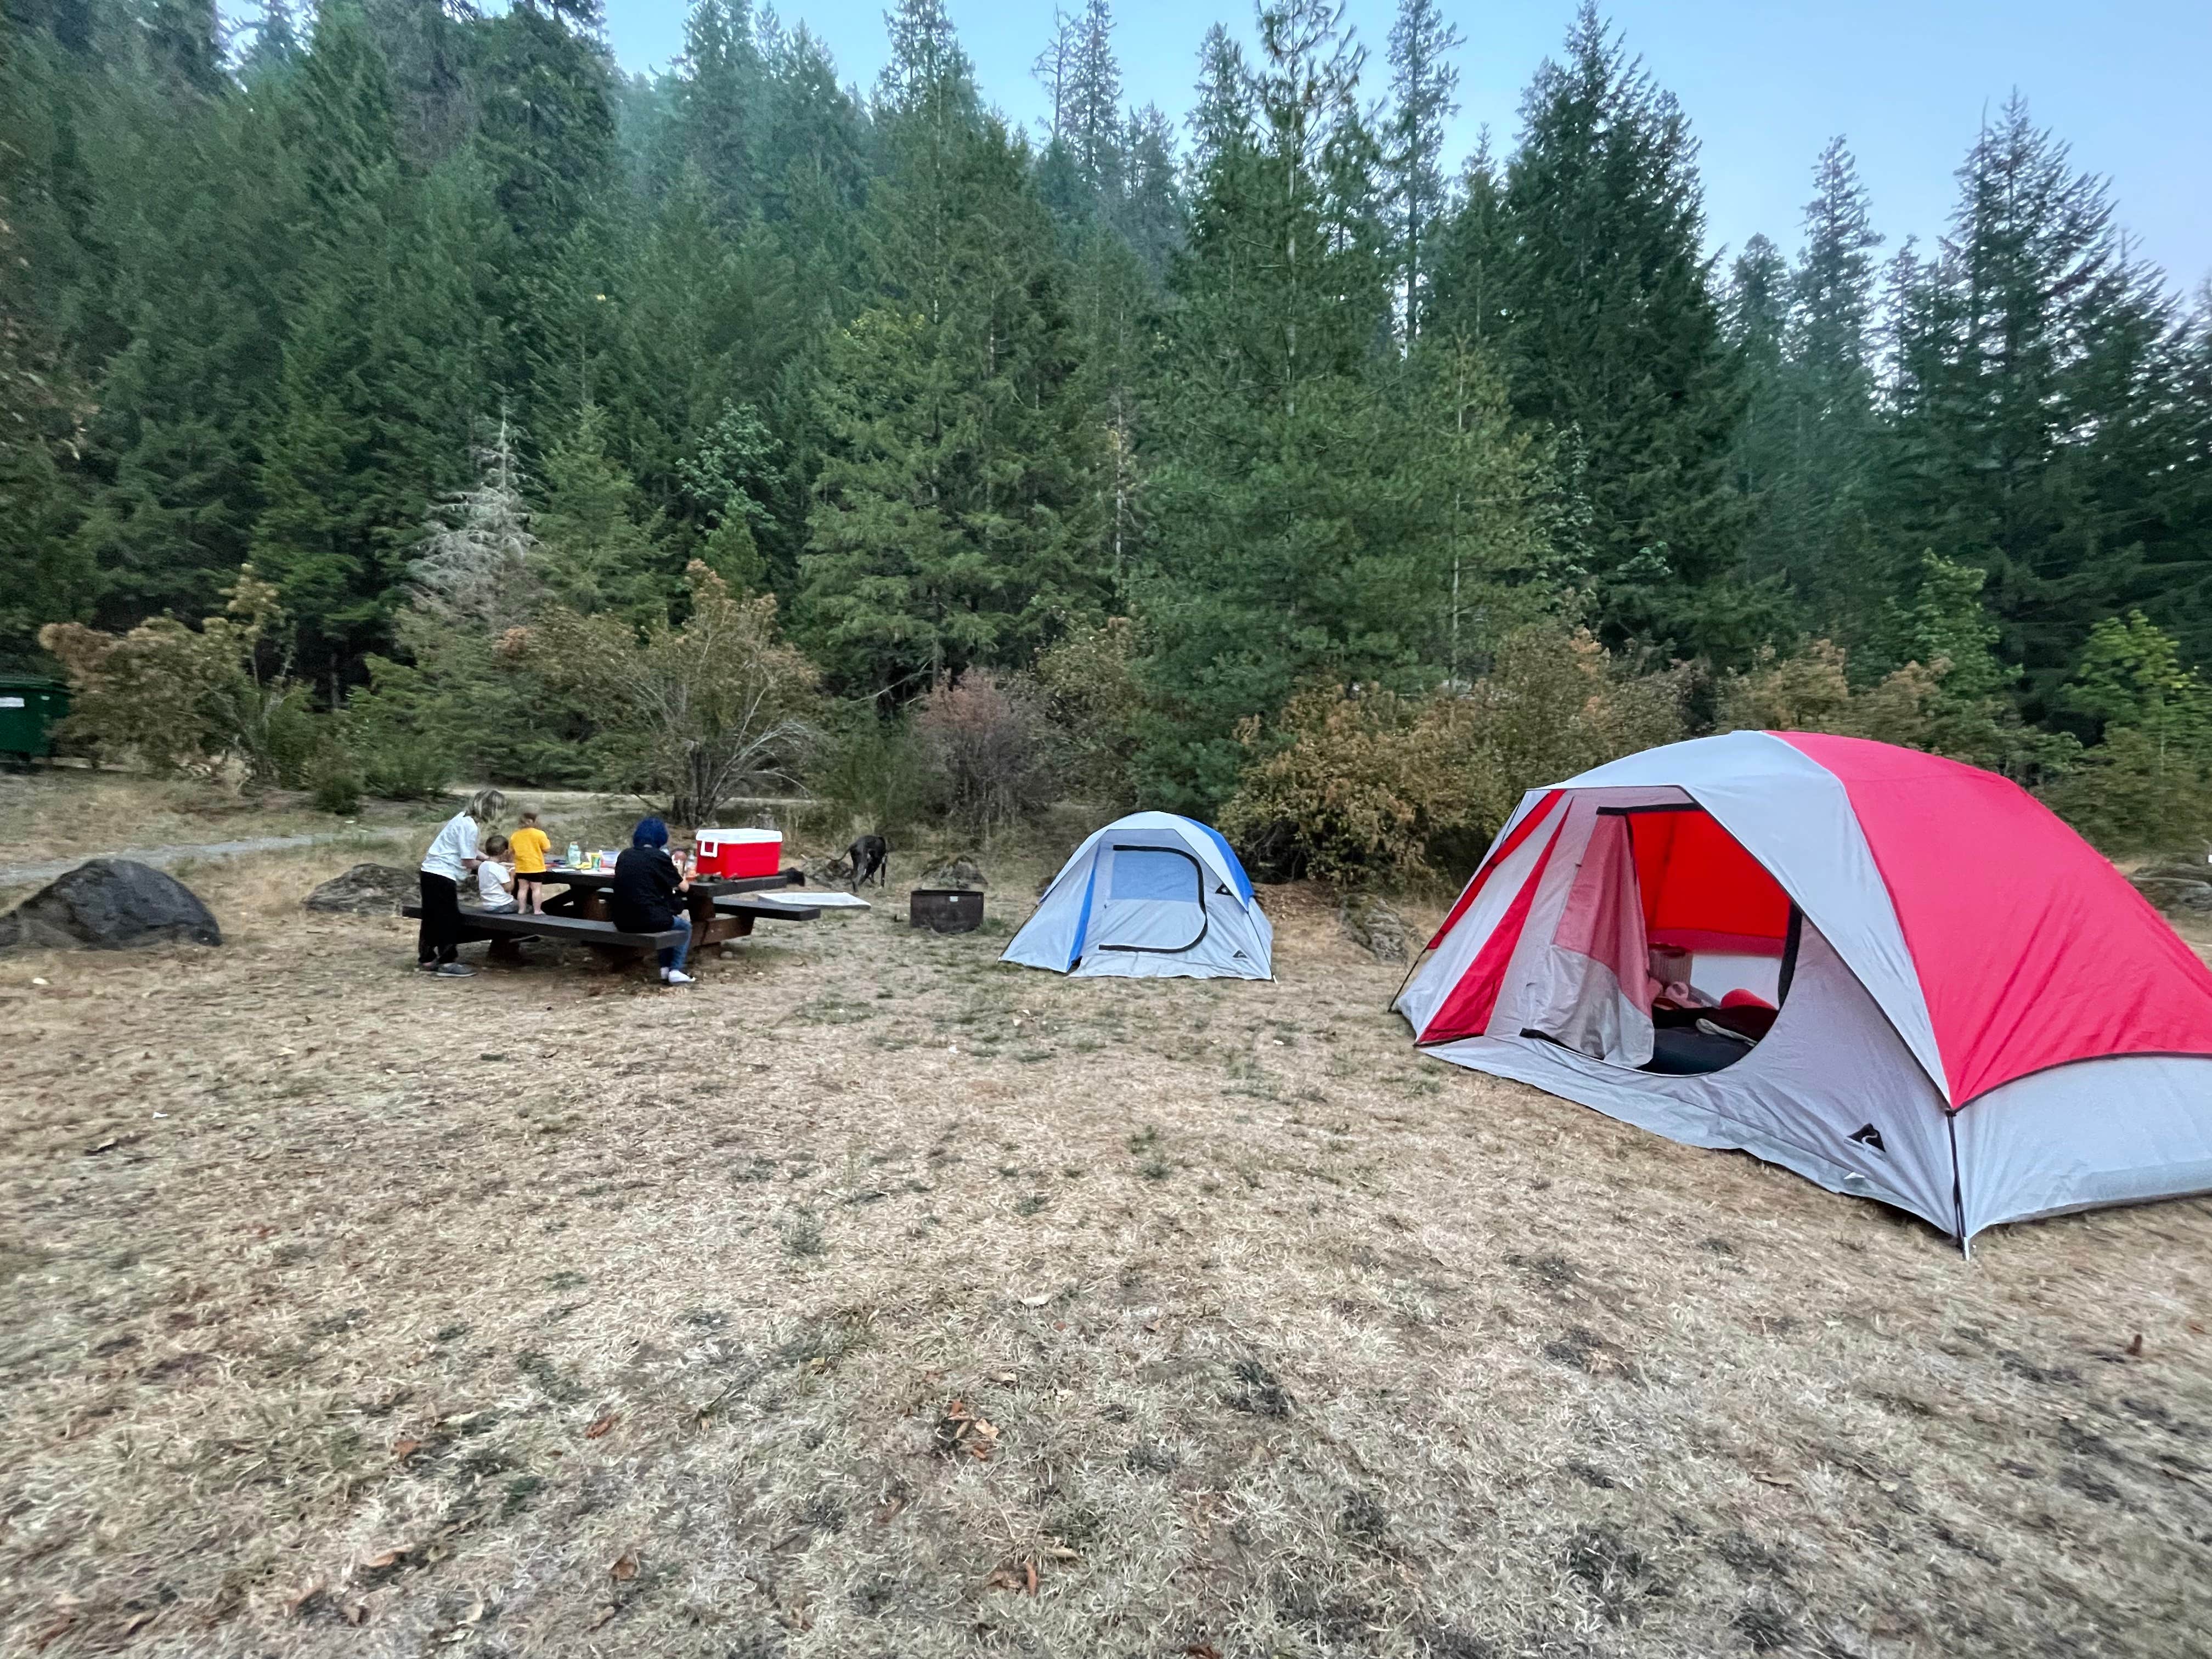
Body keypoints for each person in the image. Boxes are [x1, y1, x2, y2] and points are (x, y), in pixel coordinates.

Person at [418, 788, 506, 976]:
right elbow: (467, 861)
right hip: (443, 875)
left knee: (432, 917)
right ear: (491, 810)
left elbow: (469, 850)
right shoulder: (471, 827)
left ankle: (427, 958)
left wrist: (488, 859)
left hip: (429, 872)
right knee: (449, 919)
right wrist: (491, 867)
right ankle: (448, 963)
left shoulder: (462, 818)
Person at [611, 816, 694, 986]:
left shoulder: (625, 855)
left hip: (621, 919)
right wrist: (681, 874)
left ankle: (664, 968)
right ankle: (676, 970)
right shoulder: (659, 857)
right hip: (648, 918)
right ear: (661, 838)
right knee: (683, 927)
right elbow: (684, 888)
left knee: (665, 920)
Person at [509, 808, 552, 915]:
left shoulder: (515, 835)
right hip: (536, 867)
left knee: (522, 889)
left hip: (521, 867)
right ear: (534, 821)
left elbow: (511, 851)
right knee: (536, 889)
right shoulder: (540, 834)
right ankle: (537, 910)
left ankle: (521, 909)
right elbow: (547, 848)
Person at [475, 833, 518, 913]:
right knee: (525, 906)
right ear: (505, 852)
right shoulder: (499, 868)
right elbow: (508, 888)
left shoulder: (482, 866)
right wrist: (512, 875)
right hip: (502, 905)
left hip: (488, 905)